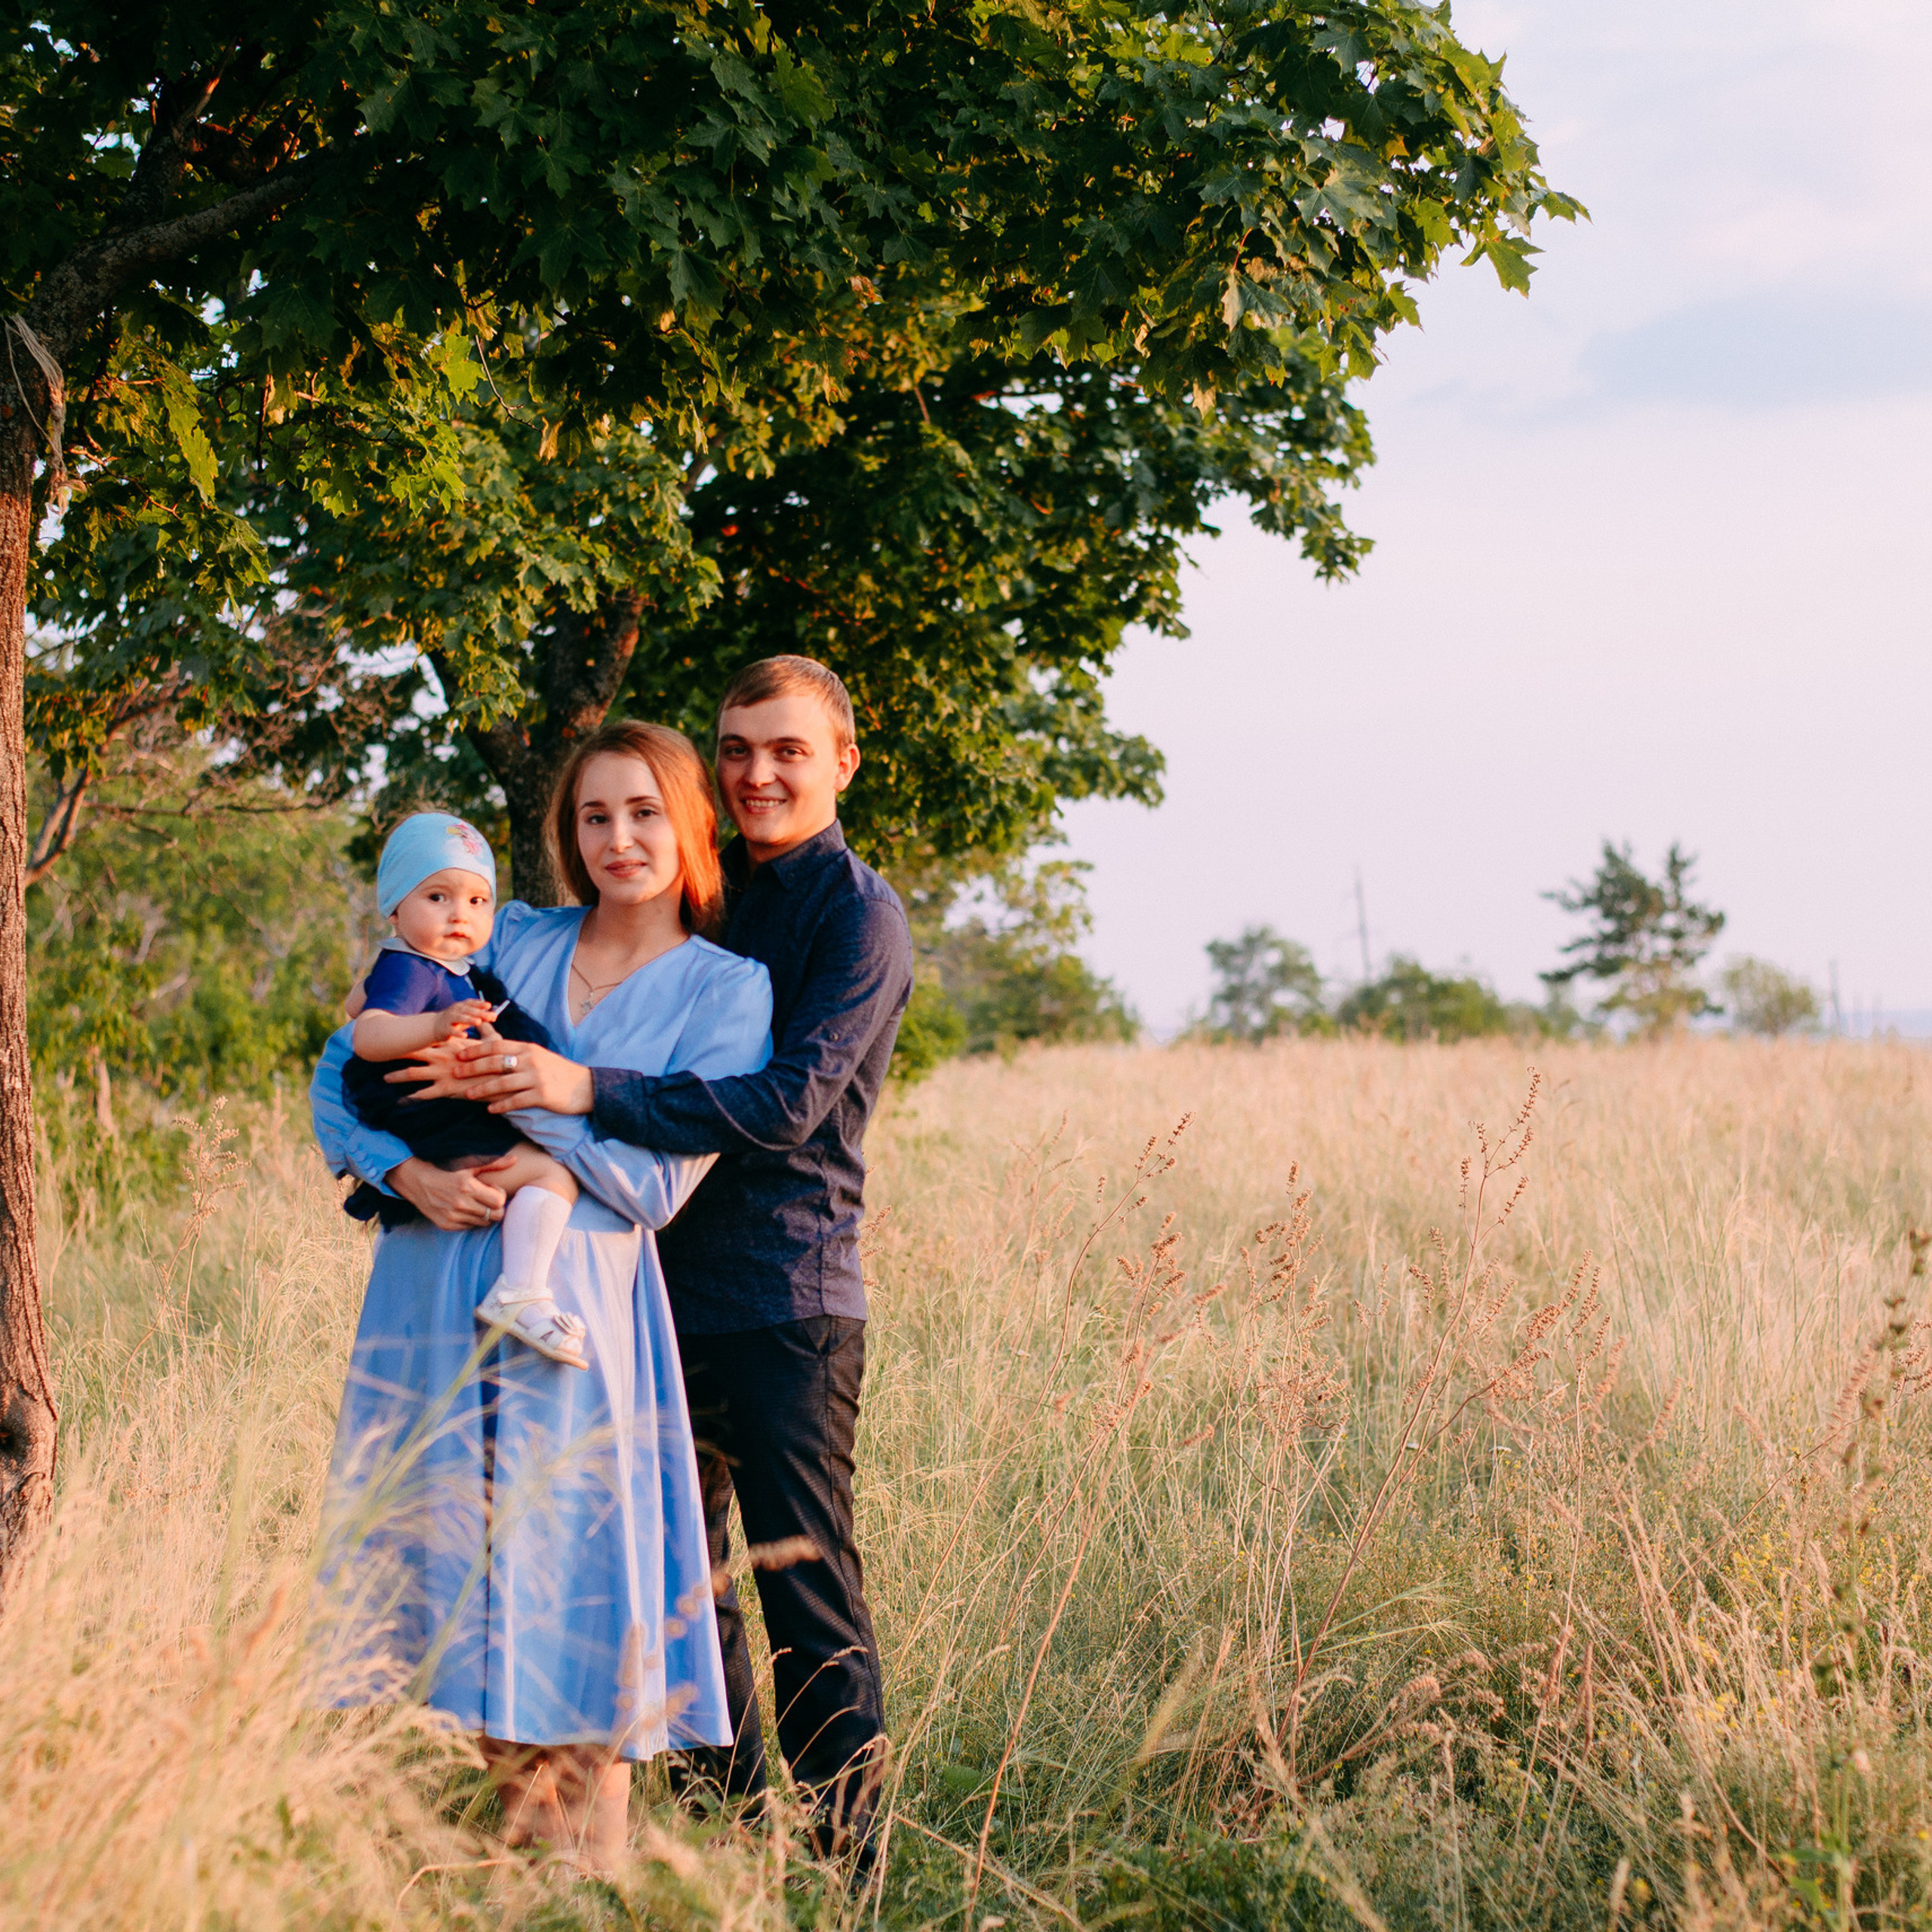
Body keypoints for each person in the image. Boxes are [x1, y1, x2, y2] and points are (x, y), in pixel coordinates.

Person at [418, 657, 913, 1863]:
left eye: (789, 750)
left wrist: (584, 1088)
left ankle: (847, 1867)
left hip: (786, 1296)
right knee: (679, 1587)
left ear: (843, 763)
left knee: (805, 1591)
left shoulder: (858, 916)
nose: (759, 773)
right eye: (737, 749)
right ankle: (723, 1839)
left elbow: (786, 1105)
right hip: (645, 1296)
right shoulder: (702, 886)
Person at [308, 723, 773, 1872]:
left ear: (690, 822)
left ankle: (587, 1883)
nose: (619, 838)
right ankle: (519, 1873)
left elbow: (655, 1186)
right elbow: (339, 1067)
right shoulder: (510, 933)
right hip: (426, 1293)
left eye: (645, 812)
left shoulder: (728, 990)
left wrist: (542, 1112)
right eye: (594, 815)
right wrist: (398, 1172)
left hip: (575, 1317)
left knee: (573, 1586)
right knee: (457, 1582)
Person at [342, 811, 586, 1367]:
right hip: (436, 1123)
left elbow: (356, 1001)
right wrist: (434, 1025)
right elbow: (368, 1033)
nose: (460, 914)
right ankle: (521, 1290)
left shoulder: (442, 967)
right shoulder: (415, 970)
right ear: (395, 907)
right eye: (438, 897)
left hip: (443, 1117)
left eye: (478, 901)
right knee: (552, 1173)